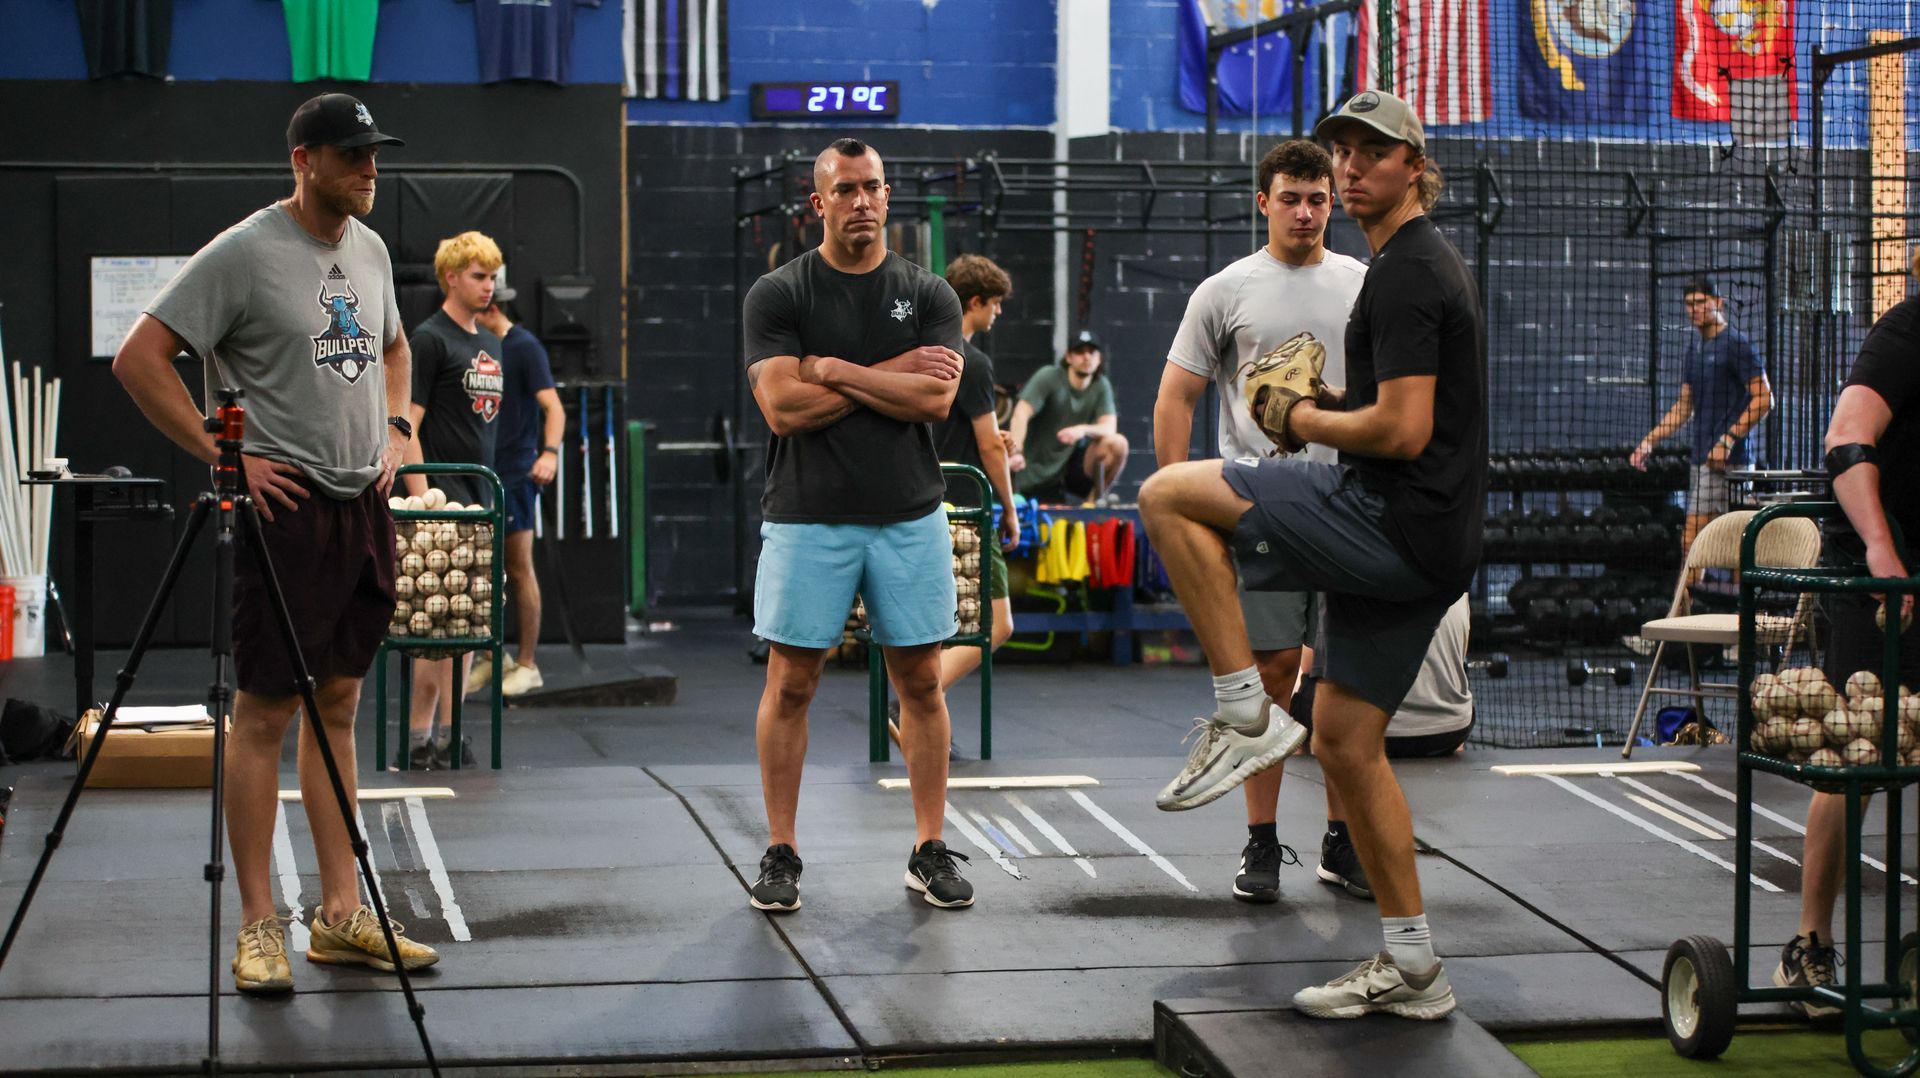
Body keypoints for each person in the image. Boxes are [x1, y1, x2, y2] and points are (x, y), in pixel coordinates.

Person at [1137, 89, 1483, 1021]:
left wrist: (1301, 415)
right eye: (1342, 151)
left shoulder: (1405, 270)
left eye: (1374, 152)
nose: (1350, 167)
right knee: (1343, 739)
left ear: (1416, 165)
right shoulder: (1401, 268)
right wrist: (1330, 397)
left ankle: (1244, 711)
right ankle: (1414, 966)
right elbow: (1407, 410)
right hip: (1428, 541)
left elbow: (1403, 432)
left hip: (1385, 518)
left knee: (1167, 494)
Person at [112, 93, 439, 994]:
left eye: (375, 156)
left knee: (338, 708)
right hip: (282, 508)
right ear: (304, 160)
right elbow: (139, 358)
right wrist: (227, 459)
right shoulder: (246, 252)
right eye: (353, 158)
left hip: (358, 507)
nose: (372, 171)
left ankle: (340, 916)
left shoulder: (368, 249)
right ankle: (259, 924)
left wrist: (398, 433)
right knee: (262, 715)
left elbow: (397, 351)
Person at [741, 138, 974, 913]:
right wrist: (894, 375)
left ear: (888, 193)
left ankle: (928, 847)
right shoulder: (779, 294)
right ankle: (781, 851)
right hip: (808, 517)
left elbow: (938, 402)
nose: (862, 202)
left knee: (920, 684)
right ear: (819, 203)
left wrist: (836, 370)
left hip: (908, 515)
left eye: (873, 187)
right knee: (792, 683)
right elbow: (782, 407)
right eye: (846, 190)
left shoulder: (930, 293)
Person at [1154, 137, 1367, 900]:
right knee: (1272, 677)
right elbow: (1176, 397)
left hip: (1352, 507)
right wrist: (1181, 501)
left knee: (1346, 681)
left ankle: (1342, 845)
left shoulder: (1364, 285)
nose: (1305, 212)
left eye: (1317, 199)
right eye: (1291, 198)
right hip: (1265, 508)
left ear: (1330, 204)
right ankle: (1262, 844)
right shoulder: (1224, 290)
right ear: (1264, 203)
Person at [1777, 251, 1920, 1019]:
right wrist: (1879, 547)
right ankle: (1810, 944)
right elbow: (1846, 439)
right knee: (1855, 756)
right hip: (1877, 568)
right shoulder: (1908, 329)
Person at [885, 254, 1023, 754]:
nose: (999, 314)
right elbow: (988, 447)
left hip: (921, 507)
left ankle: (919, 711)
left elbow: (963, 430)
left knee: (935, 628)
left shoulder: (922, 353)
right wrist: (1009, 508)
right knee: (996, 624)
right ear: (975, 303)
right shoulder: (974, 361)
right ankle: (910, 702)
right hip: (966, 510)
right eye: (996, 305)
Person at [400, 231, 506, 767]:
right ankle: (419, 737)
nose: (489, 286)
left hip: (479, 503)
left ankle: (451, 730)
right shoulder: (429, 339)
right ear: (451, 278)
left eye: (492, 277)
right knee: (432, 627)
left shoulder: (489, 343)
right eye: (478, 276)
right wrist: (424, 499)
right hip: (440, 503)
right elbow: (406, 426)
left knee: (469, 624)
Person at [470, 272, 565, 698]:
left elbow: (554, 408)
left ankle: (528, 665)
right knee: (484, 573)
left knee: (518, 568)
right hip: (485, 473)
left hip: (515, 474)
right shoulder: (478, 346)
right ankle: (495, 657)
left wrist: (549, 454)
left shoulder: (523, 347)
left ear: (492, 308)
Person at [1630, 277, 1773, 551]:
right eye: (1689, 304)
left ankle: (1690, 595)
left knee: (1695, 541)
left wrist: (1727, 440)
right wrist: (1649, 442)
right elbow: (1684, 406)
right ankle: (1695, 594)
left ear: (1718, 302)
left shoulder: (1734, 344)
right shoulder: (1695, 350)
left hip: (1730, 462)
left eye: (1700, 302)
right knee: (1724, 545)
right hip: (1703, 459)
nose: (1694, 309)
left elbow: (1765, 398)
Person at [1008, 330, 1130, 503]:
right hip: (1039, 471)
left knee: (1118, 444)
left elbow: (1109, 428)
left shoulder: (1101, 385)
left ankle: (1092, 504)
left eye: (1092, 352)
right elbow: (1021, 413)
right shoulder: (1049, 376)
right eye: (1080, 352)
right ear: (1069, 357)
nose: (1086, 357)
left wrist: (1082, 430)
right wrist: (1016, 451)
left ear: (1099, 358)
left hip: (1074, 468)